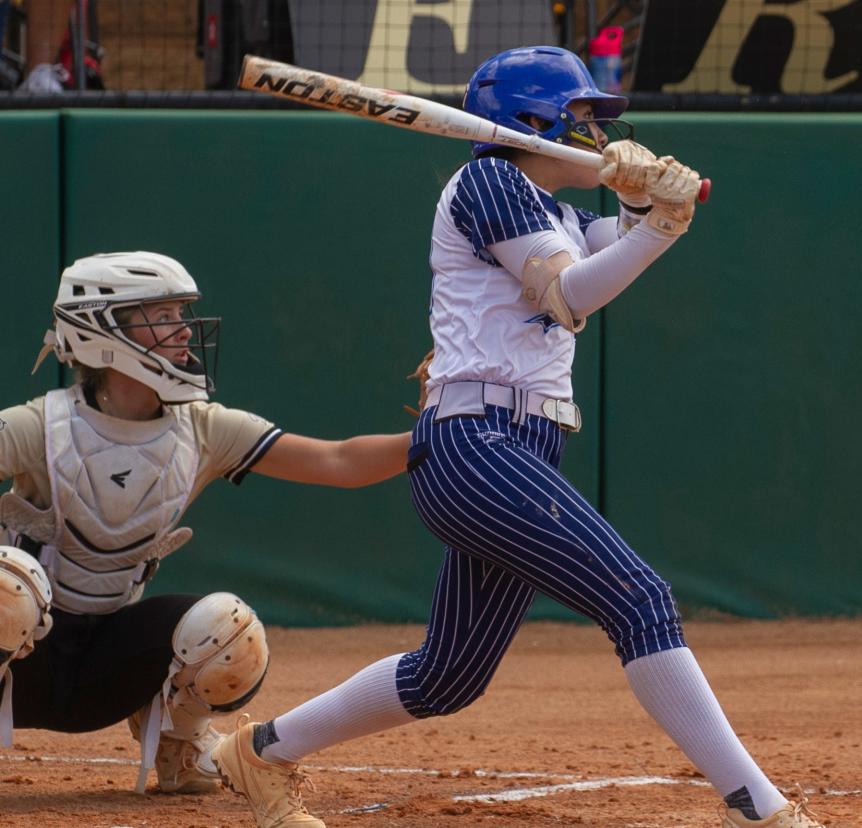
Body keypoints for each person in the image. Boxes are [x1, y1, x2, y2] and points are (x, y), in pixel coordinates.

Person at [211, 46, 827, 828]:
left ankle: (260, 752)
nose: (595, 133)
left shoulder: (554, 211)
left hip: (523, 445)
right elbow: (570, 296)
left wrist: (645, 208)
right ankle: (760, 808)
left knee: (448, 676)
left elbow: (607, 251)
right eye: (578, 118)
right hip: (476, 444)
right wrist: (658, 223)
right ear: (528, 124)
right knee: (639, 600)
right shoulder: (491, 181)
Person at [0, 251, 411, 796]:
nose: (184, 331)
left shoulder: (204, 430)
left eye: (181, 314)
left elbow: (338, 462)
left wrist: (437, 435)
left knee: (229, 628)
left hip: (108, 669)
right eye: (163, 315)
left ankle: (181, 746)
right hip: (22, 662)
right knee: (9, 587)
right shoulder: (39, 427)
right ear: (103, 328)